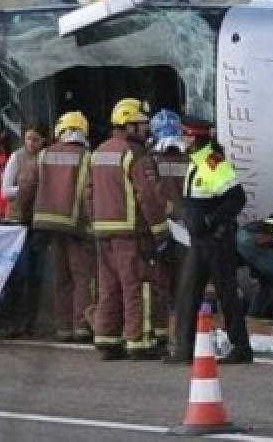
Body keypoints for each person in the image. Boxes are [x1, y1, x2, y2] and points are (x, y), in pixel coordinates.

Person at [168, 117, 251, 366]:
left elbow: (236, 198)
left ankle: (241, 347)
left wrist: (211, 222)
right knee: (187, 293)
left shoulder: (214, 164)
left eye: (186, 136)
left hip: (216, 242)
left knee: (227, 294)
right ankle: (184, 349)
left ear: (195, 138)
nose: (182, 141)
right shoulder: (196, 163)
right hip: (198, 242)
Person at [90, 99, 168, 360]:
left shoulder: (99, 151)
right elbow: (148, 195)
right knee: (138, 285)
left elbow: (88, 193)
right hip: (131, 233)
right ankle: (139, 341)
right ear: (129, 125)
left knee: (109, 287)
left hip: (102, 231)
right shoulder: (135, 155)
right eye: (142, 125)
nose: (146, 131)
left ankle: (107, 338)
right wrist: (159, 230)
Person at [27, 111, 95, 343]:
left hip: (49, 226)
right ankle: (81, 327)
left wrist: (21, 217)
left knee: (61, 278)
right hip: (76, 226)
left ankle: (63, 328)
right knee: (81, 277)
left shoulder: (44, 154)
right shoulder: (87, 157)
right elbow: (89, 194)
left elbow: (29, 186)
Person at [0, 122, 48, 337]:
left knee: (35, 274)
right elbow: (5, 191)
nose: (31, 143)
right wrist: (25, 188)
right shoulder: (16, 158)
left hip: (39, 220)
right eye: (28, 139)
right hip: (17, 220)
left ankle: (29, 321)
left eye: (36, 139)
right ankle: (11, 320)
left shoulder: (47, 158)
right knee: (19, 272)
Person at [146, 108, 188, 349]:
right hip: (185, 228)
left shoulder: (151, 160)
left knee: (161, 280)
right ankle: (178, 328)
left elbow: (153, 194)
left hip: (162, 227)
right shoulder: (188, 159)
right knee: (182, 281)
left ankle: (163, 328)